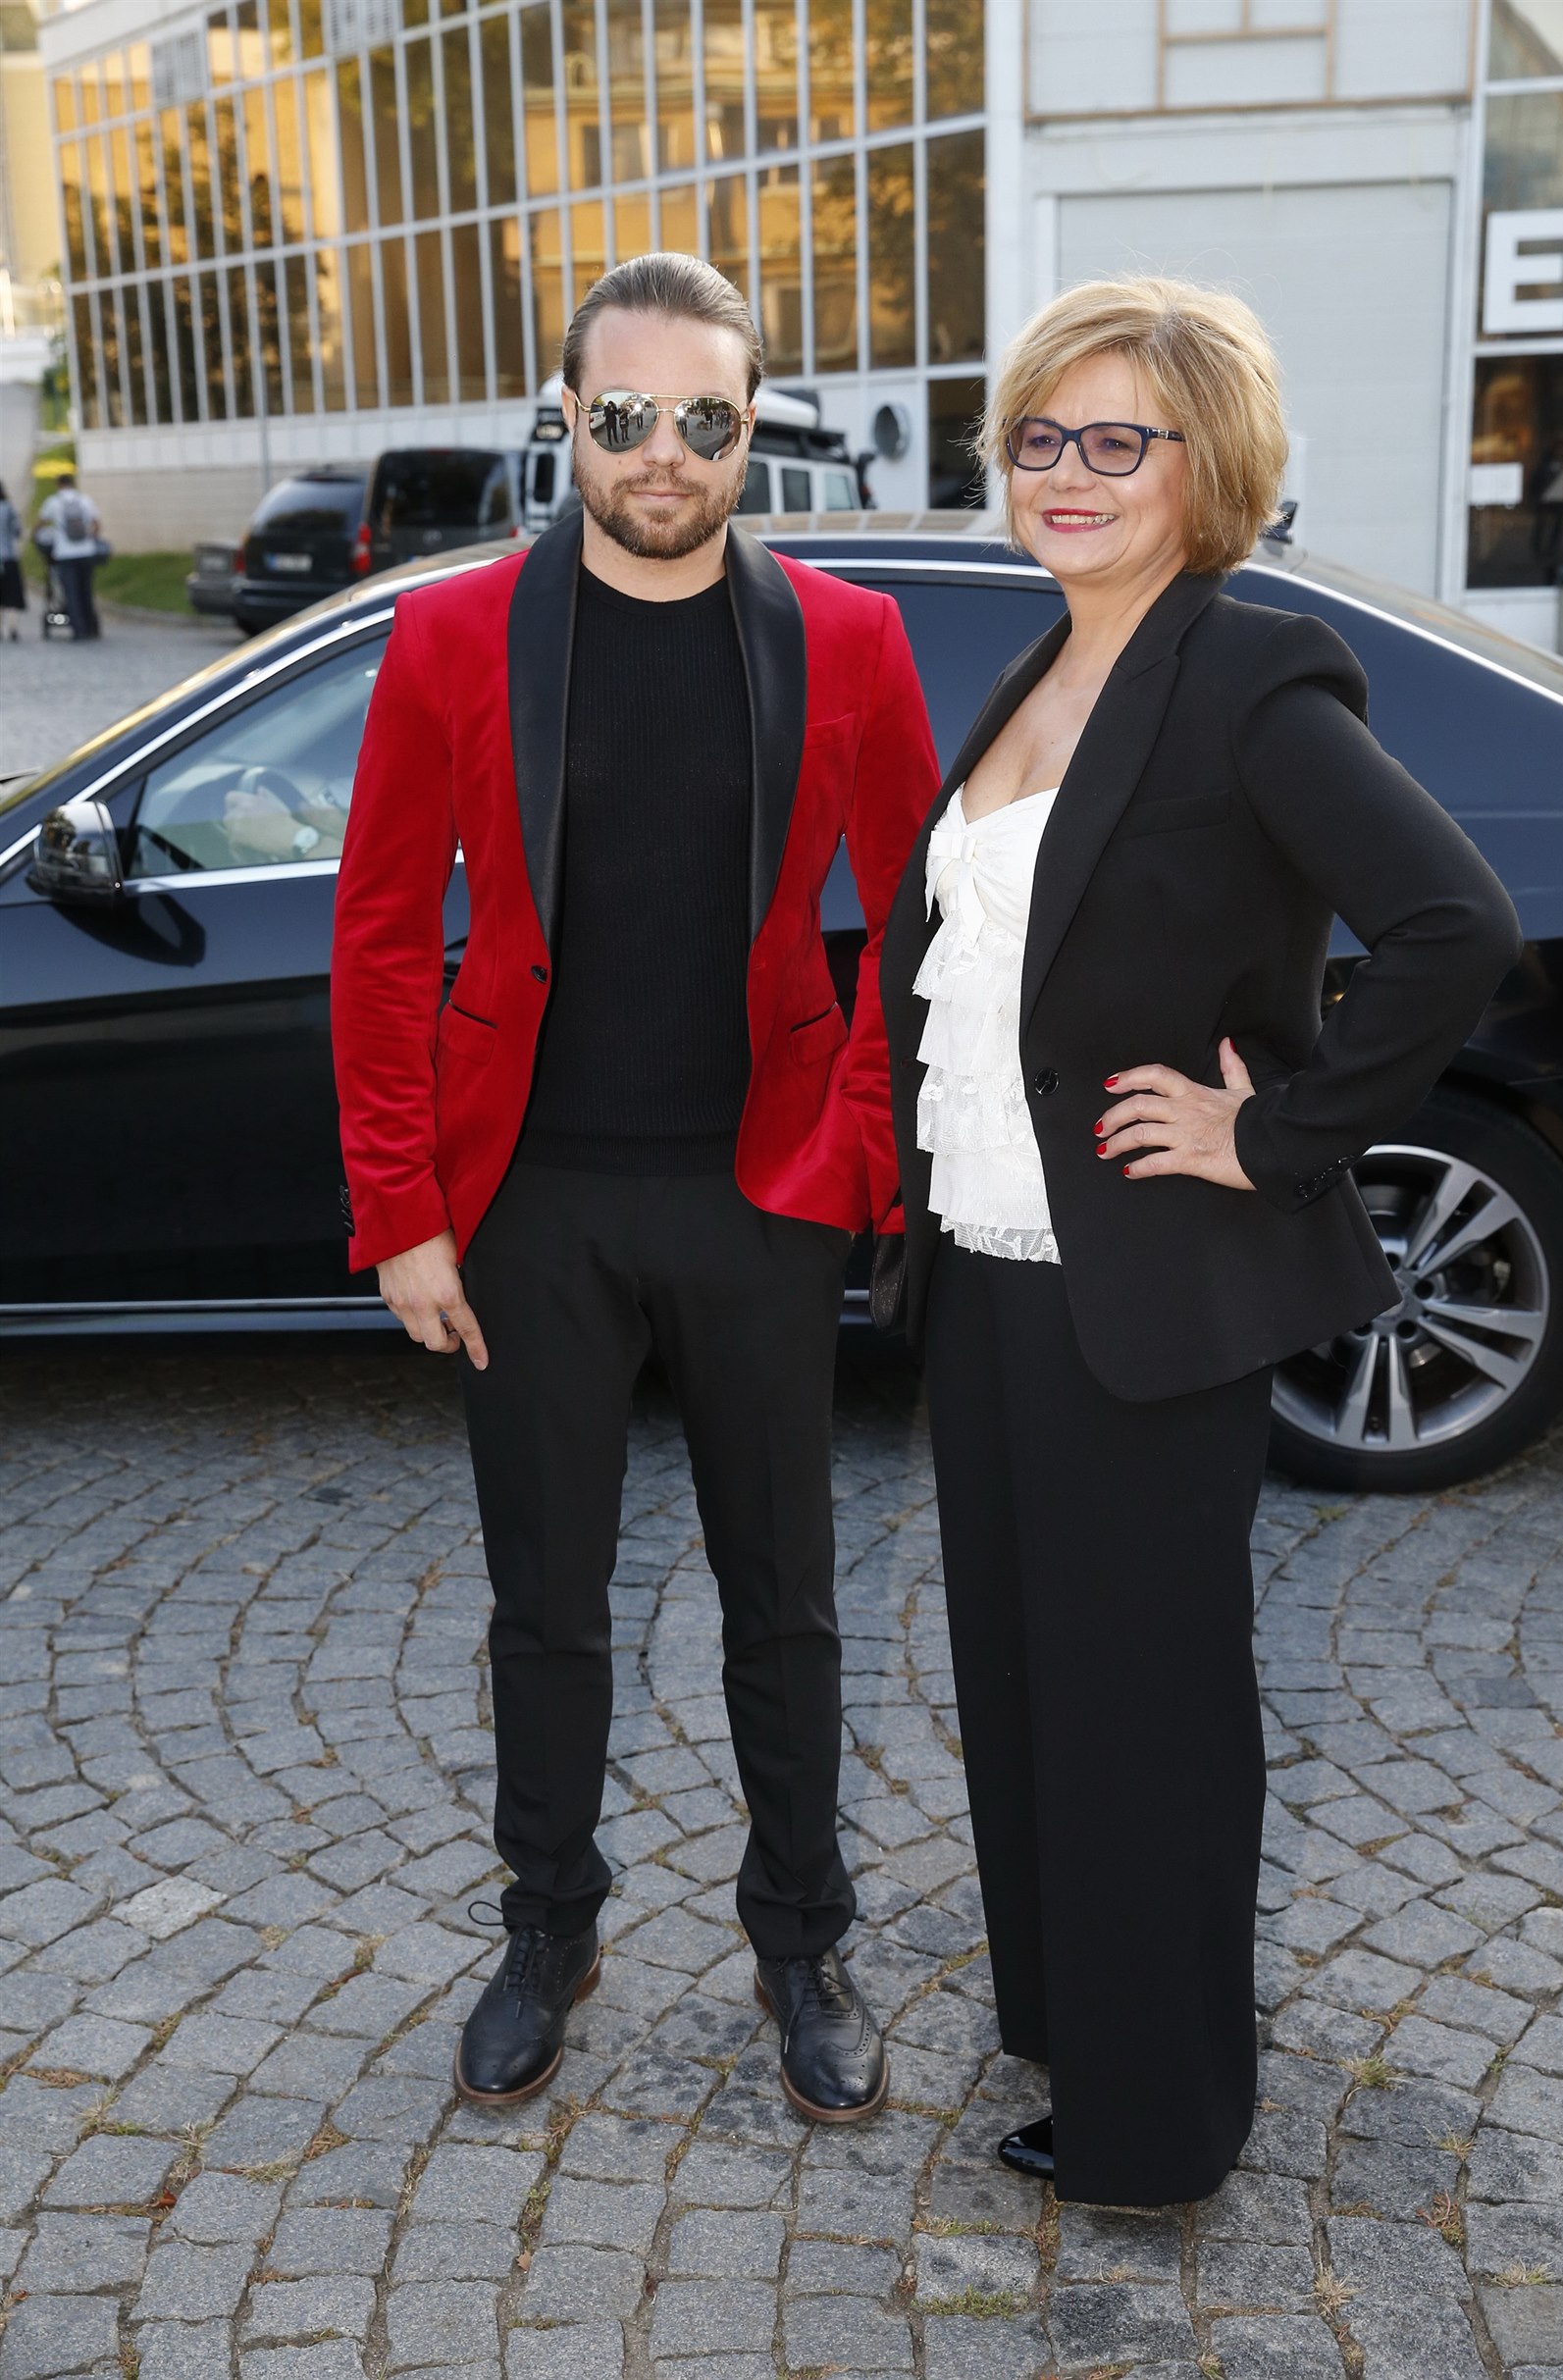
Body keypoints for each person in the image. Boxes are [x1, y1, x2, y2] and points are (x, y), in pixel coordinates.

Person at [880, 276, 1521, 2209]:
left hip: (1142, 1286)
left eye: (1115, 439)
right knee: (1019, 1675)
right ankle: (1075, 2022)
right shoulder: (1037, 664)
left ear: (1206, 464)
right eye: (1039, 435)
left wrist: (1274, 1134)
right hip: (990, 1264)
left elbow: (1453, 926)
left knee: (1141, 1709)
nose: (1064, 472)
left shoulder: (1248, 674)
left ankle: (1156, 2128)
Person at [333, 253, 939, 2120]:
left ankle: (802, 1938)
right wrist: (404, 1210)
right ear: (566, 422)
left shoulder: (848, 639)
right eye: (622, 415)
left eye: (703, 418)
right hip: (528, 1206)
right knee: (546, 1600)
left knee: (788, 1598)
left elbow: (919, 924)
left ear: (753, 429)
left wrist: (856, 1157)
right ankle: (549, 1924)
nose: (661, 451)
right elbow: (378, 937)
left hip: (763, 1194)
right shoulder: (449, 638)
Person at [37, 471, 102, 641]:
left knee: (71, 592)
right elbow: (96, 525)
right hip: (86, 552)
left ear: (58, 485)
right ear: (73, 483)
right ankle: (91, 628)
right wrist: (89, 539)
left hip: (65, 554)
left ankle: (78, 630)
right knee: (86, 590)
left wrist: (38, 537)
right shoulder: (85, 500)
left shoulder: (53, 502)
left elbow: (40, 523)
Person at [0, 483, 25, 641]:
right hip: (8, 557)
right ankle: (13, 627)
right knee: (12, 595)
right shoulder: (8, 509)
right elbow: (17, 531)